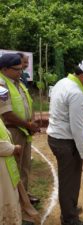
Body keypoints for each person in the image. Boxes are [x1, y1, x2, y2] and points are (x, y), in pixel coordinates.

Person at [47, 59, 83, 225]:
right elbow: (78, 129)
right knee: (70, 181)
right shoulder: (77, 93)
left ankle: (69, 208)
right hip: (66, 141)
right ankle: (69, 218)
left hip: (57, 137)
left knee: (68, 179)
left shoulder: (62, 82)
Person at [0, 53, 40, 205]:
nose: (21, 72)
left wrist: (32, 122)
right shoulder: (1, 86)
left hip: (23, 130)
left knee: (24, 166)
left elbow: (28, 103)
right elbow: (7, 114)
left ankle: (24, 196)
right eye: (17, 69)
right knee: (14, 167)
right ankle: (15, 200)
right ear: (4, 69)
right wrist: (28, 125)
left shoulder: (18, 82)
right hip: (13, 132)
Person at [0, 86, 40, 225]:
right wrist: (12, 148)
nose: (2, 100)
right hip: (3, 161)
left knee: (10, 194)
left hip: (6, 163)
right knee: (5, 197)